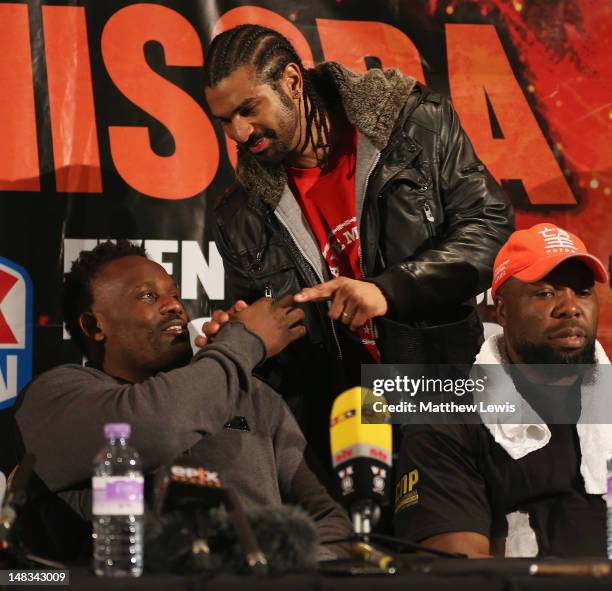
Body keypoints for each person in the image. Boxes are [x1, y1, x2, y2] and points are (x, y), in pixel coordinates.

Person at [202, 25, 514, 457]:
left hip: (444, 394)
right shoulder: (239, 215)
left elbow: (490, 225)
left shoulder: (414, 125)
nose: (239, 132)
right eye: (225, 120)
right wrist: (244, 338)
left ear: (292, 81)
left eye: (248, 109)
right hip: (335, 426)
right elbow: (279, 363)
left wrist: (389, 290)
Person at [12, 240, 351, 560]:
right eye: (147, 296)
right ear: (94, 325)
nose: (174, 305)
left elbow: (327, 518)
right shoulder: (55, 396)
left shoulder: (253, 395)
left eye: (174, 294)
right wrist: (241, 345)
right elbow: (153, 426)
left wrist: (284, 573)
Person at [394, 224, 610, 557]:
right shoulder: (447, 421)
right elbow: (460, 575)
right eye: (546, 292)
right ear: (502, 311)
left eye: (582, 291)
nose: (570, 307)